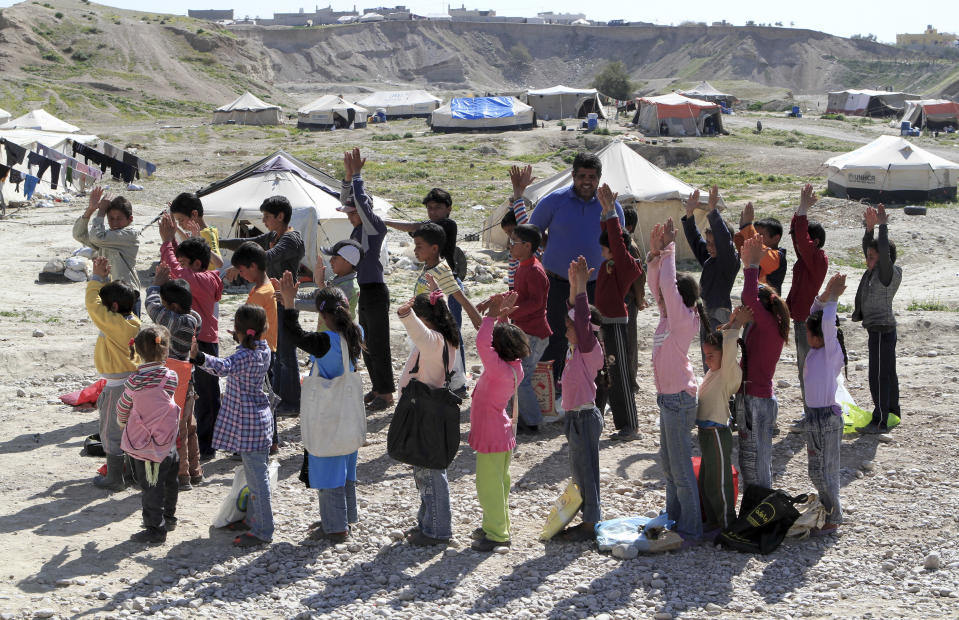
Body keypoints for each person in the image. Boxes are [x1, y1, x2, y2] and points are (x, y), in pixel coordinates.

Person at [277, 274, 364, 543]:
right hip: (347, 415)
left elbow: (293, 335)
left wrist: (290, 304)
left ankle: (336, 528)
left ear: (323, 315)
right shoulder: (356, 333)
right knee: (346, 471)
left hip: (328, 417)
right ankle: (345, 517)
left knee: (328, 472)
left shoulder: (325, 341)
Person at [528, 153, 625, 389]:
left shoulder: (611, 207)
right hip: (557, 284)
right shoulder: (553, 201)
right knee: (556, 335)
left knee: (591, 336)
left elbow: (619, 241)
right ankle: (551, 390)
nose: (586, 181)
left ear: (599, 178)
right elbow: (532, 232)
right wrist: (549, 245)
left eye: (592, 176)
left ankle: (589, 388)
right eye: (582, 176)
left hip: (595, 285)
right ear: (573, 176)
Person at [190, 304, 274, 548]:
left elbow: (222, 367)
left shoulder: (243, 355)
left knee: (258, 482)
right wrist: (242, 337)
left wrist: (199, 357)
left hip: (249, 427)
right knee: (255, 478)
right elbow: (239, 356)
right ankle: (253, 519)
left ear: (239, 331)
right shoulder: (264, 350)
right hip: (259, 422)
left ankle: (263, 530)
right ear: (263, 330)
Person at [647, 219, 706, 543]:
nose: (658, 300)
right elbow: (658, 285)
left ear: (677, 300)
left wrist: (670, 249)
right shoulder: (669, 317)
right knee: (669, 467)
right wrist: (655, 256)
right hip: (668, 400)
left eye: (665, 298)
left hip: (679, 400)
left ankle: (691, 530)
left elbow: (667, 287)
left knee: (681, 470)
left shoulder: (683, 319)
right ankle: (674, 519)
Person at [220, 195, 305, 417]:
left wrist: (240, 266)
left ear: (280, 216)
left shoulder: (290, 238)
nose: (265, 221)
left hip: (285, 301)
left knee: (286, 352)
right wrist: (217, 242)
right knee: (276, 352)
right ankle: (280, 396)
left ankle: (292, 402)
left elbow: (266, 256)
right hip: (273, 300)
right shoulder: (275, 235)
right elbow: (249, 245)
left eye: (267, 216)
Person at [158, 213, 223, 461]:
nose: (181, 265)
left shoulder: (200, 278)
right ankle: (197, 440)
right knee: (195, 395)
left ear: (196, 264)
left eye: (186, 261)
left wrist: (167, 242)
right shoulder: (209, 277)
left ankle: (207, 443)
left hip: (201, 342)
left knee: (205, 396)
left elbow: (177, 272)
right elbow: (179, 269)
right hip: (203, 340)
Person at [396, 291, 460, 546]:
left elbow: (415, 329)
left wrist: (405, 313)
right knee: (425, 470)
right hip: (430, 409)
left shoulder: (433, 341)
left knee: (430, 473)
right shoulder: (446, 339)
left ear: (427, 318)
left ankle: (437, 530)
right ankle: (427, 522)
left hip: (424, 412)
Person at [468, 291, 528, 552]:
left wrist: (492, 317)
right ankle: (497, 523)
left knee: (488, 486)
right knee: (499, 483)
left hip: (492, 435)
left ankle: (497, 534)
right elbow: (498, 345)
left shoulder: (498, 371)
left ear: (498, 352)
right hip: (501, 434)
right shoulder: (515, 368)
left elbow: (483, 344)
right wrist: (503, 317)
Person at [554, 256, 606, 542]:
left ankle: (591, 522)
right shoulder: (577, 346)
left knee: (587, 471)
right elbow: (576, 314)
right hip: (574, 416)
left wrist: (583, 288)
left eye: (569, 327)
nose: (566, 331)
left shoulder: (588, 347)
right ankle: (585, 517)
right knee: (578, 470)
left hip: (585, 417)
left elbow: (582, 319)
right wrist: (575, 286)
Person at [339, 148, 394, 412]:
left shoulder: (374, 227)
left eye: (353, 212)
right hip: (366, 290)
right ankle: (378, 387)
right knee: (368, 342)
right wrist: (348, 179)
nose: (349, 215)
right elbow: (348, 201)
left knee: (379, 344)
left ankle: (386, 394)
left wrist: (358, 177)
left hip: (376, 290)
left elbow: (359, 202)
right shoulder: (359, 228)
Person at [116, 325, 180, 544]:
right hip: (167, 440)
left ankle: (155, 529)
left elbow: (123, 406)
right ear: (165, 349)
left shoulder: (134, 381)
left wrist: (122, 420)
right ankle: (169, 518)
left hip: (144, 445)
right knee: (170, 481)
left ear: (138, 352)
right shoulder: (171, 376)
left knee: (150, 487)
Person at [737, 236, 791, 489]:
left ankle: (761, 511)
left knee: (757, 464)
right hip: (753, 398)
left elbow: (749, 294)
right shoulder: (764, 326)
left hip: (757, 401)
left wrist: (752, 265)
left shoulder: (768, 325)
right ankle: (754, 511)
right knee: (751, 462)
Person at [144, 264, 203, 490]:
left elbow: (152, 308)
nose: (164, 308)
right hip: (188, 382)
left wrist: (155, 286)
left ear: (174, 306)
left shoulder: (176, 321)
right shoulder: (193, 318)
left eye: (167, 304)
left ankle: (182, 476)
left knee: (176, 430)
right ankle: (196, 471)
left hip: (174, 383)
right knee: (190, 427)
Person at [86, 257, 141, 491]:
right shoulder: (131, 321)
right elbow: (103, 303)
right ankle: (130, 473)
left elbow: (92, 304)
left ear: (114, 307)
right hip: (131, 383)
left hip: (116, 387)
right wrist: (106, 280)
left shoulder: (115, 324)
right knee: (129, 429)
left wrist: (96, 279)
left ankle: (114, 478)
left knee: (110, 432)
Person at [594, 184, 643, 440]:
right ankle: (595, 418)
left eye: (607, 246)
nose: (602, 249)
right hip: (602, 324)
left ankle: (629, 426)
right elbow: (610, 237)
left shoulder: (624, 265)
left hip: (614, 324)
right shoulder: (610, 261)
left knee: (619, 375)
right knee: (601, 373)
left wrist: (612, 213)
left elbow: (615, 239)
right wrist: (605, 212)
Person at [696, 305, 750, 536]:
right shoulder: (713, 372)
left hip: (718, 433)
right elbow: (723, 342)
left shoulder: (728, 372)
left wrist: (737, 325)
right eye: (705, 355)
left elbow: (728, 346)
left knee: (720, 481)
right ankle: (714, 521)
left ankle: (728, 524)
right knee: (708, 481)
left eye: (712, 355)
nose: (708, 360)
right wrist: (730, 324)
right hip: (706, 433)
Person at [802, 273, 849, 535]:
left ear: (819, 337)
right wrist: (824, 294)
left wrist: (833, 301)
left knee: (826, 470)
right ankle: (828, 512)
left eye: (810, 333)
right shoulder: (816, 350)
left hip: (827, 420)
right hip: (813, 417)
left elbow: (827, 325)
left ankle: (833, 518)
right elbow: (815, 315)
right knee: (814, 469)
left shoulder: (832, 354)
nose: (806, 336)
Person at [412, 222, 482, 394]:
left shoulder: (442, 270)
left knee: (447, 365)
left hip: (437, 330)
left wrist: (477, 319)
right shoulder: (429, 266)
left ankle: (454, 390)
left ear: (434, 248)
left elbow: (459, 296)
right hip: (426, 325)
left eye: (419, 246)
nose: (415, 250)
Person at [852, 204, 902, 433]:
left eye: (872, 257)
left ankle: (881, 419)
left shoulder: (886, 275)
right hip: (878, 330)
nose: (867, 260)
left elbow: (880, 249)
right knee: (887, 373)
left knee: (878, 376)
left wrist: (883, 227)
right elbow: (869, 247)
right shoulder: (873, 272)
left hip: (882, 330)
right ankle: (892, 413)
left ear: (884, 260)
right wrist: (869, 229)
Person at [681, 185, 740, 369]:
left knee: (718, 359)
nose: (710, 247)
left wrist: (714, 212)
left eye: (715, 244)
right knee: (709, 357)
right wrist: (689, 214)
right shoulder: (710, 260)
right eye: (709, 243)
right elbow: (696, 241)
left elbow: (724, 241)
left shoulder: (729, 261)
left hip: (719, 315)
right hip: (706, 314)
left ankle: (722, 394)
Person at [230, 241, 279, 452]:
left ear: (253, 266)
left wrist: (240, 336)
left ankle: (262, 443)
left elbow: (253, 326)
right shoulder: (264, 288)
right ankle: (272, 441)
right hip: (268, 351)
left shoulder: (260, 294)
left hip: (257, 354)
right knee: (266, 397)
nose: (241, 274)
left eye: (242, 270)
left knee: (256, 399)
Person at [502, 223, 550, 434]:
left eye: (514, 243)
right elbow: (517, 295)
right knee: (516, 376)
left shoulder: (535, 271)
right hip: (525, 331)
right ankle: (521, 419)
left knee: (521, 379)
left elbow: (536, 304)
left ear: (527, 246)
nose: (510, 247)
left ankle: (532, 422)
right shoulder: (523, 267)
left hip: (535, 333)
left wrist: (510, 312)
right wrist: (494, 302)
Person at [786, 184, 829, 414]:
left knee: (807, 367)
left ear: (817, 242)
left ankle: (812, 412)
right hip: (800, 319)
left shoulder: (818, 259)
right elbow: (797, 237)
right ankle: (810, 410)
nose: (801, 245)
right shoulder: (807, 259)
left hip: (807, 321)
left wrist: (803, 208)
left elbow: (801, 240)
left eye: (808, 241)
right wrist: (801, 210)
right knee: (804, 366)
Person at [73, 186, 141, 314]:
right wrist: (91, 209)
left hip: (127, 295)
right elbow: (79, 235)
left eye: (119, 218)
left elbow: (96, 237)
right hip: (110, 294)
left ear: (130, 219)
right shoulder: (106, 237)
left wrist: (101, 211)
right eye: (110, 218)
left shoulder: (130, 235)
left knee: (128, 332)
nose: (114, 222)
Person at [295, 240, 363, 330]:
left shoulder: (349, 286)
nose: (330, 261)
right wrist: (292, 293)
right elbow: (315, 295)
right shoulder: (336, 279)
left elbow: (322, 305)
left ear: (348, 261)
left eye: (335, 258)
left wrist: (291, 301)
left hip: (338, 339)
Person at [734, 202, 787, 293]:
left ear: (776, 238)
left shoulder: (778, 257)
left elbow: (760, 251)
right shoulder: (755, 252)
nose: (755, 237)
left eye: (760, 235)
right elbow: (742, 244)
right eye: (754, 233)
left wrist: (746, 227)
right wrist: (743, 228)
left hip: (767, 305)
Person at [622, 206, 648, 393]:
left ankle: (630, 381)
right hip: (623, 301)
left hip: (629, 300)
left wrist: (639, 300)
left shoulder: (630, 246)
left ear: (628, 226)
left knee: (629, 342)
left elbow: (638, 278)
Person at [168, 192, 224, 270]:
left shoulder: (206, 233)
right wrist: (176, 226)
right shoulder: (205, 230)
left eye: (181, 220)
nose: (180, 224)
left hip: (205, 280)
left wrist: (200, 242)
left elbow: (219, 263)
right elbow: (190, 243)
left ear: (194, 214)